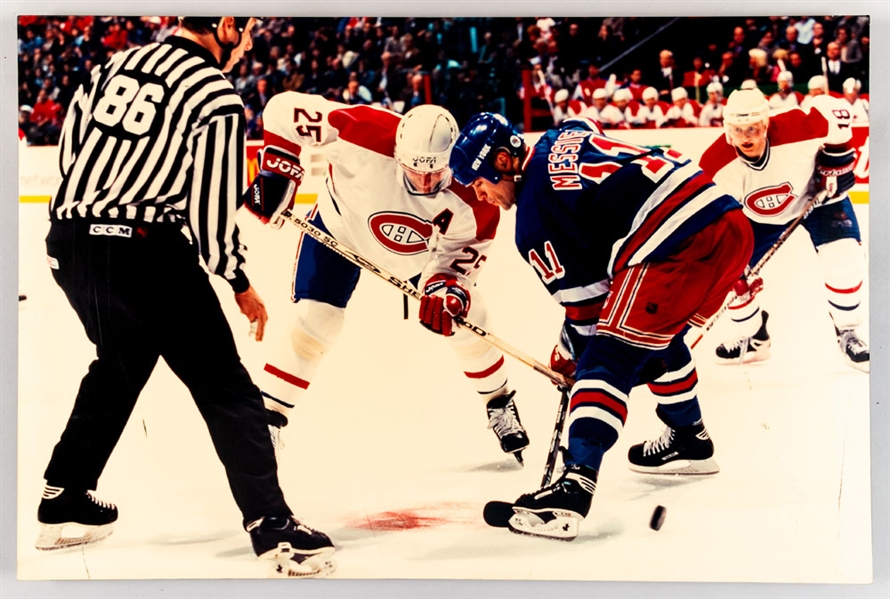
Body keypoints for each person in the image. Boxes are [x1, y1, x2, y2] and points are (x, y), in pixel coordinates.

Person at [36, 16, 335, 577]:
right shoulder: (214, 94)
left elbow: (73, 159)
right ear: (223, 25)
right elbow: (210, 208)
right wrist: (239, 280)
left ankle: (65, 497)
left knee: (119, 364)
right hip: (145, 251)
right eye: (245, 33)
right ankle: (273, 528)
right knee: (226, 387)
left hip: (71, 243)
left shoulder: (106, 68)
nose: (247, 46)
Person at [449, 113, 753, 540]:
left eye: (479, 181)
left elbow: (589, 311)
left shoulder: (534, 221)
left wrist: (570, 357)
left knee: (607, 357)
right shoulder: (559, 137)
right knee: (655, 340)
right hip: (729, 224)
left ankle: (573, 489)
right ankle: (689, 437)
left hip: (676, 243)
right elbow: (584, 123)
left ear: (503, 160)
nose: (480, 194)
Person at [251, 94, 529, 462]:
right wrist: (277, 170)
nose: (426, 182)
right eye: (416, 170)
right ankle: (267, 419)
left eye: (436, 172)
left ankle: (499, 402)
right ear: (397, 151)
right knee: (317, 320)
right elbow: (283, 109)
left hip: (418, 257)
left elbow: (456, 263)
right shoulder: (362, 129)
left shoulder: (474, 196)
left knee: (467, 318)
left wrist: (447, 290)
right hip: (339, 229)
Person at [699, 89, 869, 372]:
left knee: (844, 258)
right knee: (728, 272)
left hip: (819, 197)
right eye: (738, 130)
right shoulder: (715, 166)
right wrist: (729, 267)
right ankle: (755, 339)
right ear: (728, 130)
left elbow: (836, 112)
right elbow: (714, 223)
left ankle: (848, 331)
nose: (746, 137)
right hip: (758, 218)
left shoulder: (799, 127)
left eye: (753, 128)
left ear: (766, 123)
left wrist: (836, 158)